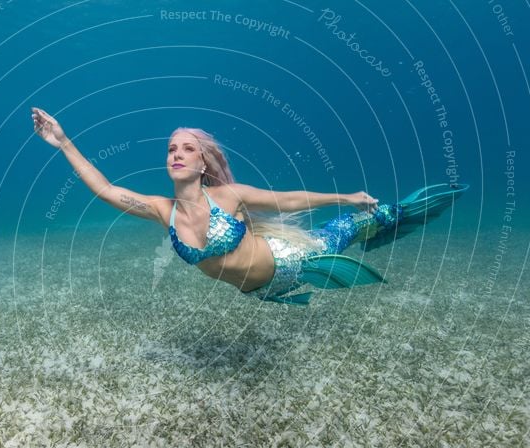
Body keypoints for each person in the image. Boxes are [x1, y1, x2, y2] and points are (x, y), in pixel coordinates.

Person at [31, 107, 467, 304]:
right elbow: (106, 189)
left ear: (203, 163)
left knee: (347, 230)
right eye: (170, 149)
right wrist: (63, 142)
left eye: (187, 149)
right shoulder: (164, 211)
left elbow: (288, 201)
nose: (176, 154)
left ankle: (392, 215)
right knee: (347, 233)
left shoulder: (228, 196)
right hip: (262, 294)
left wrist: (345, 195)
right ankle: (377, 222)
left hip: (295, 261)